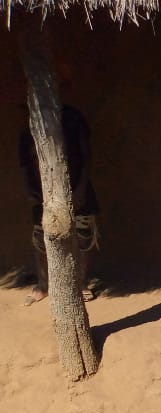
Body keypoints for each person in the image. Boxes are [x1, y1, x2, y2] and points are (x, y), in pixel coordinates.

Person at [18, 103, 100, 306]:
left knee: (83, 233)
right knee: (40, 235)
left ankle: (81, 283)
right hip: (42, 189)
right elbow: (25, 162)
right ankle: (43, 284)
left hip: (75, 184)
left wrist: (81, 188)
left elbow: (86, 155)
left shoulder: (72, 119)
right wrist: (30, 189)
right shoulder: (30, 124)